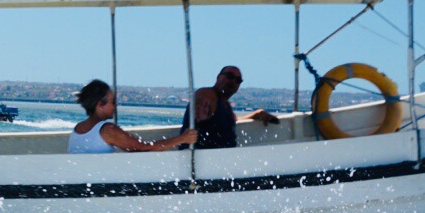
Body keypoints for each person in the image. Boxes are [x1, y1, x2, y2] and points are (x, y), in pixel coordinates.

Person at [69, 79, 197, 154]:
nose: (115, 106)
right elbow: (144, 148)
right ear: (100, 104)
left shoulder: (78, 128)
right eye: (113, 102)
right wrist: (182, 138)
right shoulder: (107, 130)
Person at [180, 66, 279, 149]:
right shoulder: (207, 94)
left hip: (224, 160)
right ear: (218, 77)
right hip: (201, 161)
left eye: (238, 80)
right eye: (230, 76)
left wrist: (257, 114)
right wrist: (200, 109)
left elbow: (230, 122)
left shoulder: (225, 105)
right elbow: (202, 105)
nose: (233, 81)